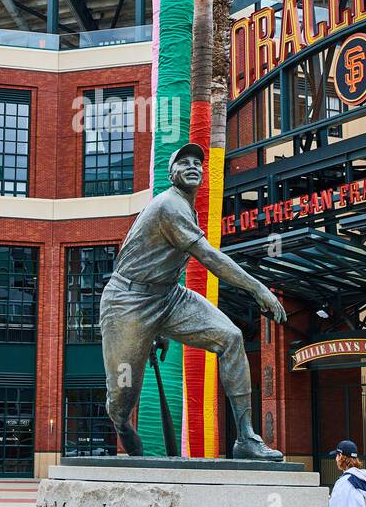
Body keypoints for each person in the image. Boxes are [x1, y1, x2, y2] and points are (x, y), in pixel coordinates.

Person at [100, 141, 286, 460]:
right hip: (127, 301)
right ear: (171, 174)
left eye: (198, 163)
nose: (193, 167)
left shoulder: (186, 205)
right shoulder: (169, 205)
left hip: (168, 295)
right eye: (184, 162)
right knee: (122, 397)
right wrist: (258, 288)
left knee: (230, 338)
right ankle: (121, 426)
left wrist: (159, 325)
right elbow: (209, 257)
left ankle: (245, 437)